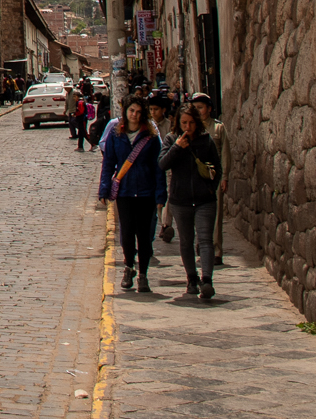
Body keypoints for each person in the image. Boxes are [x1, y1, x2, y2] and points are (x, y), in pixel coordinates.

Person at [98, 98, 167, 294]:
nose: (134, 115)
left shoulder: (151, 137)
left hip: (146, 192)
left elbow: (158, 167)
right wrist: (104, 190)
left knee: (144, 235)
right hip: (125, 192)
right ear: (125, 111)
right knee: (126, 233)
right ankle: (129, 267)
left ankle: (143, 274)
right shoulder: (116, 134)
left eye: (138, 111)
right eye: (131, 110)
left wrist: (161, 194)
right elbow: (109, 163)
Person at [160, 104, 220, 300]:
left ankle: (207, 280)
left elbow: (217, 168)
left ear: (197, 123)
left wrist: (211, 188)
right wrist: (177, 148)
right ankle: (192, 279)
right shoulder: (171, 140)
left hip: (205, 200)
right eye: (184, 123)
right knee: (186, 241)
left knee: (205, 239)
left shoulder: (206, 141)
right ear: (178, 122)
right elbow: (162, 164)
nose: (188, 127)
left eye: (191, 123)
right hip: (181, 200)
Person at [191, 92, 230, 265]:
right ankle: (201, 247)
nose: (198, 111)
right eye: (195, 108)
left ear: (209, 109)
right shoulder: (192, 128)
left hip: (214, 176)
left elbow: (226, 155)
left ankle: (216, 250)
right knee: (198, 214)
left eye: (200, 107)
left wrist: (224, 177)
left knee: (216, 214)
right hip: (196, 178)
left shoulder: (218, 128)